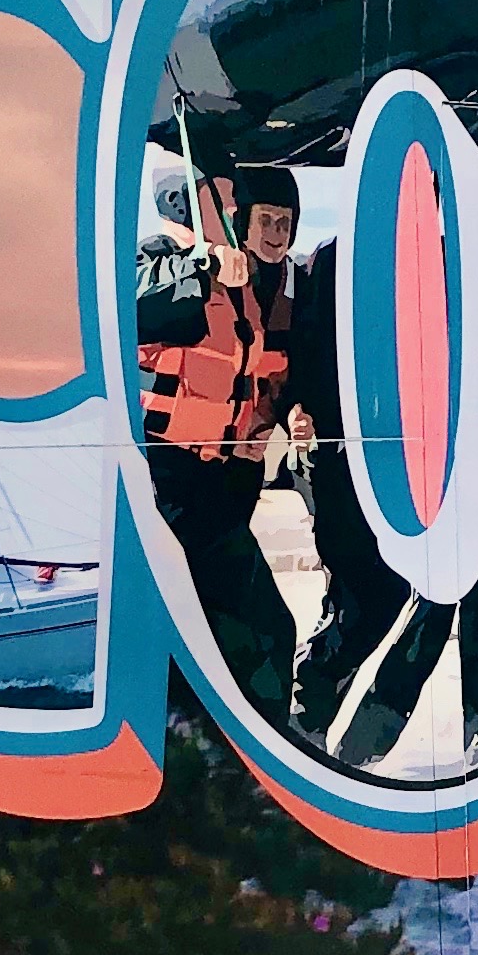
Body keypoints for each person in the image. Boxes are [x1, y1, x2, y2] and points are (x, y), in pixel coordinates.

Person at [337, 155, 478, 768]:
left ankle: (389, 737)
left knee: (468, 592)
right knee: (453, 593)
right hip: (435, 466)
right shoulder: (444, 263)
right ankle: (387, 738)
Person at [135, 163, 301, 714]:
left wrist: (269, 422)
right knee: (244, 635)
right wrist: (200, 266)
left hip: (222, 492)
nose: (233, 217)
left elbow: (263, 375)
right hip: (170, 488)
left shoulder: (247, 291)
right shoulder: (156, 261)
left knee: (268, 633)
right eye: (223, 207)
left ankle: (258, 755)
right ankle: (220, 759)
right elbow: (141, 304)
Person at [281, 214, 412, 748]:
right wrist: (297, 415)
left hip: (394, 461)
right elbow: (300, 350)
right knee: (360, 595)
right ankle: (305, 717)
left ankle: (311, 716)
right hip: (335, 455)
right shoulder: (328, 260)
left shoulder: (422, 261)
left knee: (383, 592)